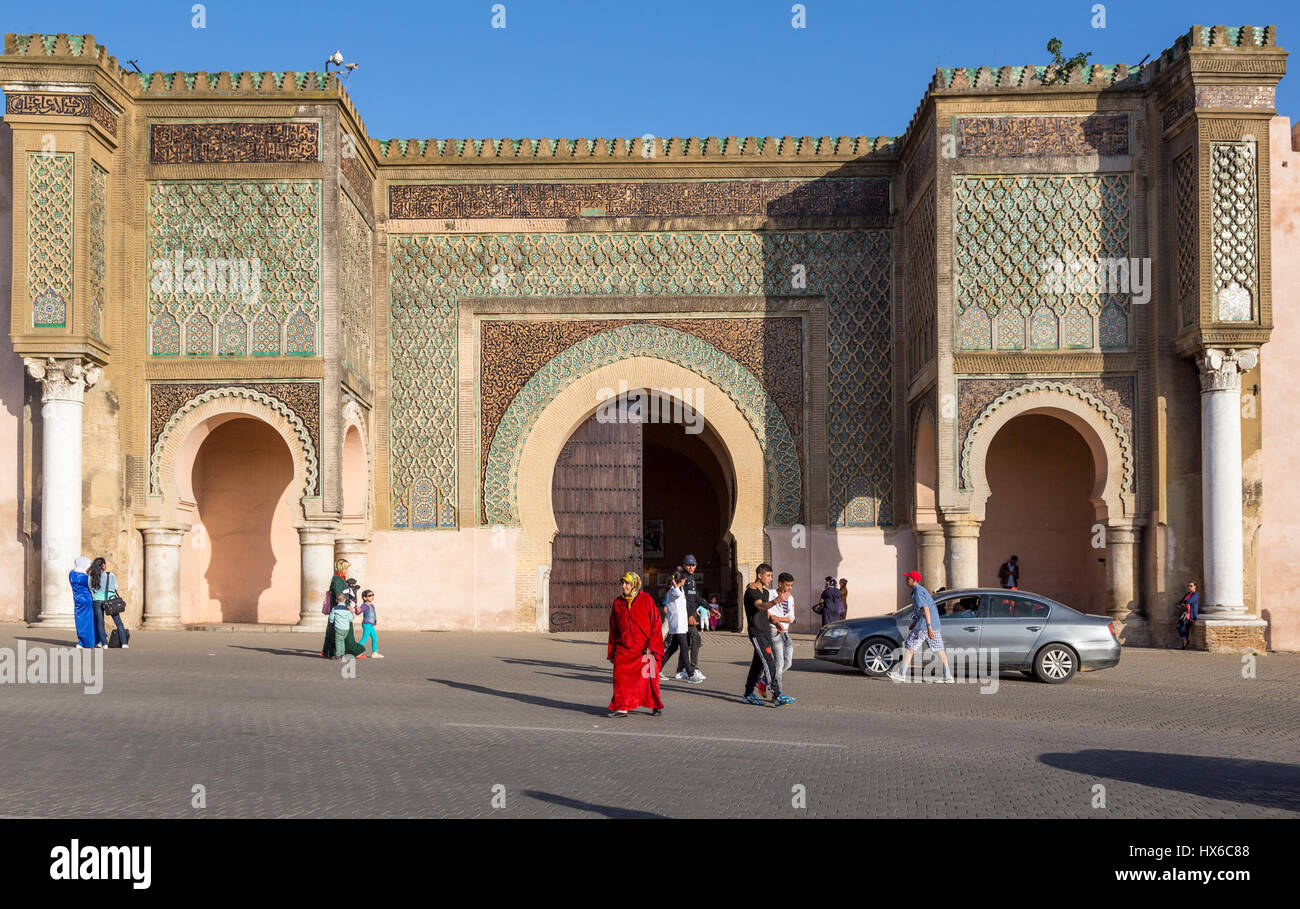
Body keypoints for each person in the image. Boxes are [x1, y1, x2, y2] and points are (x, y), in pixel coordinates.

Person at [607, 571, 665, 717]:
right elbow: (613, 629)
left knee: (650, 679)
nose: (624, 586)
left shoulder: (646, 599)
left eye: (627, 583)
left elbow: (656, 624)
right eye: (623, 583)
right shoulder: (617, 603)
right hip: (624, 649)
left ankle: (654, 705)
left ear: (634, 584)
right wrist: (612, 651)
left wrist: (652, 646)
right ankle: (622, 708)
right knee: (619, 678)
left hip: (645, 649)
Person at [742, 563, 794, 707]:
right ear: (760, 575)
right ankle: (777, 695)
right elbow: (760, 606)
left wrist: (776, 622)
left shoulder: (764, 592)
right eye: (768, 576)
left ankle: (748, 694)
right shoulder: (752, 592)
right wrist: (777, 600)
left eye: (771, 576)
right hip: (757, 632)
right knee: (769, 662)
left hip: (766, 631)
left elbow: (765, 612)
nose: (770, 578)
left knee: (757, 666)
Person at [889, 571, 954, 683]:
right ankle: (948, 677)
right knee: (939, 650)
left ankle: (901, 674)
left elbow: (926, 609)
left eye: (908, 578)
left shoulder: (918, 591)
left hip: (925, 625)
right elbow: (922, 610)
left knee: (910, 647)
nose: (906, 580)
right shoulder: (920, 590)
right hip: (933, 623)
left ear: (914, 580)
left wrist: (928, 627)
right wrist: (915, 622)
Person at [660, 569, 701, 683]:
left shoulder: (678, 589)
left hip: (680, 625)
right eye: (684, 579)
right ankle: (691, 674)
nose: (685, 580)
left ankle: (657, 669)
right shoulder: (674, 591)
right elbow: (677, 594)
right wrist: (675, 584)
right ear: (681, 580)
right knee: (684, 649)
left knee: (672, 648)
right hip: (678, 626)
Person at [321, 559, 366, 659]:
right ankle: (354, 652)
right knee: (347, 631)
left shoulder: (339, 578)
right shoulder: (337, 579)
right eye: (345, 567)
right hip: (342, 609)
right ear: (341, 567)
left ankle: (328, 651)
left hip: (340, 609)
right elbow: (339, 595)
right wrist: (347, 607)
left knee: (333, 631)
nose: (346, 570)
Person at [766, 572, 796, 693]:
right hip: (774, 631)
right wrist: (773, 619)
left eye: (791, 585)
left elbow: (791, 617)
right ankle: (777, 693)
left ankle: (764, 680)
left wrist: (778, 618)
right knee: (779, 663)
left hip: (785, 632)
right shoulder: (770, 594)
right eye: (787, 585)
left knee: (788, 663)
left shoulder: (790, 597)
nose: (790, 588)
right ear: (780, 584)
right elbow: (766, 610)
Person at [89, 557, 128, 649]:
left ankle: (104, 644)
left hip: (98, 600)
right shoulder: (110, 575)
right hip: (110, 600)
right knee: (118, 621)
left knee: (100, 622)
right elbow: (116, 588)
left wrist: (97, 593)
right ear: (103, 565)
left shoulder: (92, 576)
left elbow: (91, 589)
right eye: (105, 564)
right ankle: (124, 643)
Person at [681, 554, 707, 681]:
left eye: (693, 565)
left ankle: (681, 670)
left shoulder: (691, 579)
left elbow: (695, 597)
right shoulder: (683, 578)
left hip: (690, 614)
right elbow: (683, 600)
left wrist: (710, 608)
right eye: (689, 565)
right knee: (696, 639)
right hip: (685, 616)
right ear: (684, 565)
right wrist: (689, 615)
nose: (691, 567)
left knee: (681, 644)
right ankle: (693, 668)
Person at [70, 557, 96, 649]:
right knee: (88, 622)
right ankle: (88, 643)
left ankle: (81, 641)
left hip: (77, 600)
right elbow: (92, 587)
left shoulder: (71, 574)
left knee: (80, 621)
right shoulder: (85, 577)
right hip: (87, 600)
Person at [358, 589, 383, 658]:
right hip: (366, 624)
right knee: (365, 638)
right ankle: (356, 651)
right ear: (364, 598)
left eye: (372, 595)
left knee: (375, 638)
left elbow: (373, 615)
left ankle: (374, 653)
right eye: (369, 595)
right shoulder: (364, 605)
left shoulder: (371, 605)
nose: (372, 597)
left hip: (370, 624)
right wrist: (357, 610)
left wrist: (374, 623)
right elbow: (358, 612)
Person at [1175, 581, 1199, 650]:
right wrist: (1183, 603)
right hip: (1185, 613)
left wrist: (1184, 603)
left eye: (1191, 586)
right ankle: (1185, 640)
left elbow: (1188, 601)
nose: (1189, 587)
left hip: (1191, 614)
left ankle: (1184, 644)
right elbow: (1180, 602)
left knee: (1186, 628)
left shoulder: (1196, 594)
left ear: (1195, 586)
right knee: (1178, 626)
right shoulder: (1187, 594)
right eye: (1189, 586)